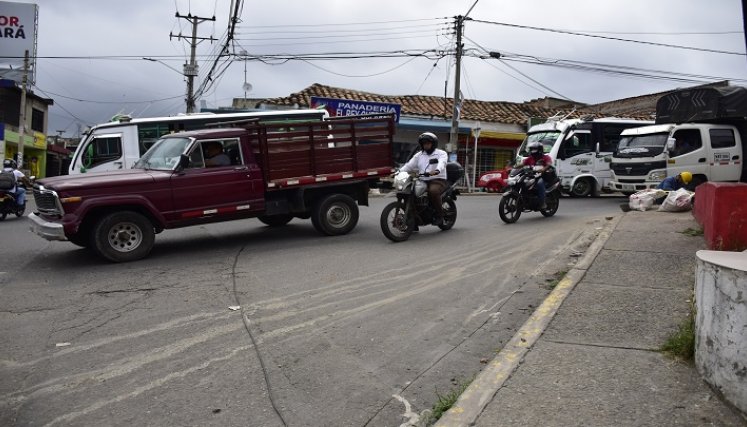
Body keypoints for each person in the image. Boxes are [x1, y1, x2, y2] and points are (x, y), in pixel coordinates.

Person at [400, 132, 449, 226]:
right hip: (422, 180)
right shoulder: (419, 155)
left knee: (433, 191)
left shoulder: (441, 153)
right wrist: (398, 172)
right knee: (409, 192)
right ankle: (414, 220)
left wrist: (437, 170)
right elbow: (409, 166)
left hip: (438, 180)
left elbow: (442, 163)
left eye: (428, 143)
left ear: (433, 143)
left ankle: (440, 216)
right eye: (424, 143)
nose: (426, 145)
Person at [518, 141, 553, 209]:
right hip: (532, 176)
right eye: (532, 149)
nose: (533, 151)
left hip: (543, 176)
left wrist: (543, 169)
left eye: (535, 149)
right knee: (522, 181)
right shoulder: (530, 158)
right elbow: (522, 164)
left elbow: (549, 164)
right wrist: (513, 167)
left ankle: (542, 203)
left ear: (540, 150)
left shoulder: (545, 157)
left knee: (540, 183)